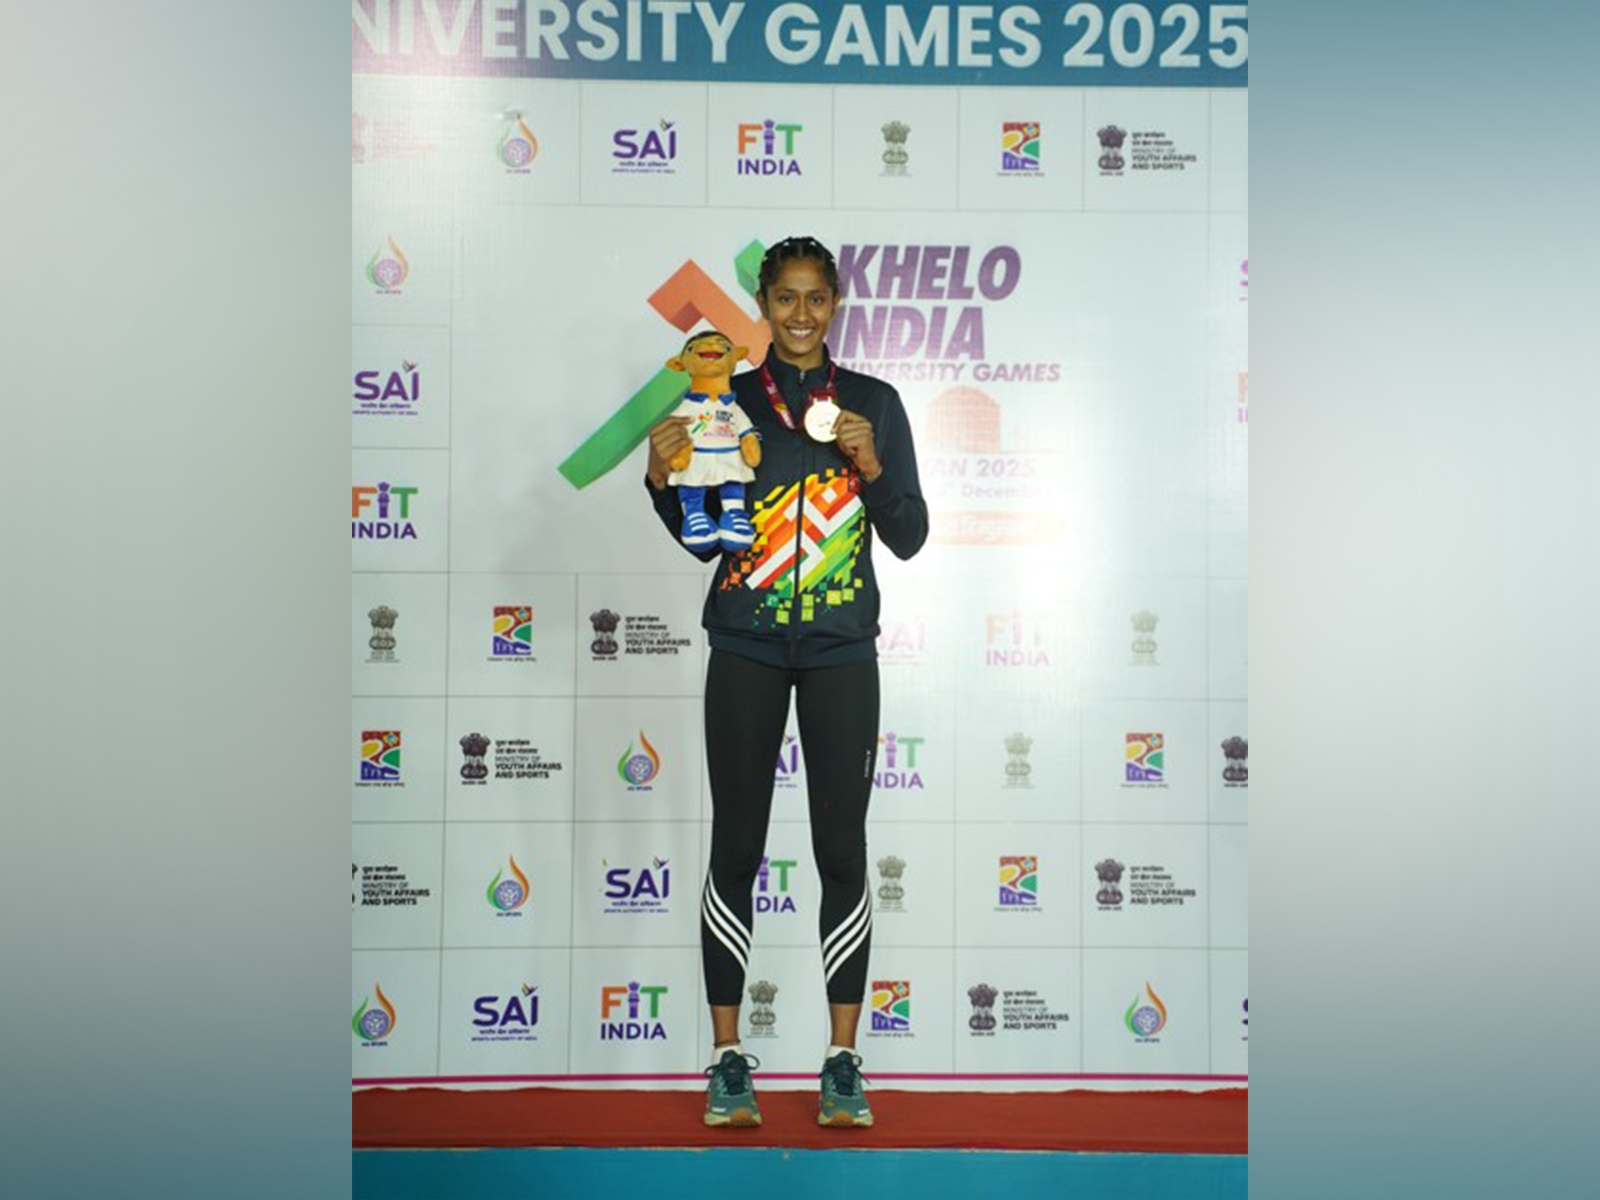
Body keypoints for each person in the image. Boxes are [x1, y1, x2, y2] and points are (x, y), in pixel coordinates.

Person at [644, 235, 928, 1128]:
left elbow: (912, 533)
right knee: (737, 848)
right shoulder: (725, 402)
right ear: (763, 307)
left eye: (816, 299)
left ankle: (843, 1063)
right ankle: (728, 1061)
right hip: (748, 647)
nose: (801, 315)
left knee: (841, 853)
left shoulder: (873, 403)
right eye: (785, 300)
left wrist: (872, 466)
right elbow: (706, 540)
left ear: (835, 303)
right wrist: (663, 477)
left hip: (842, 651)